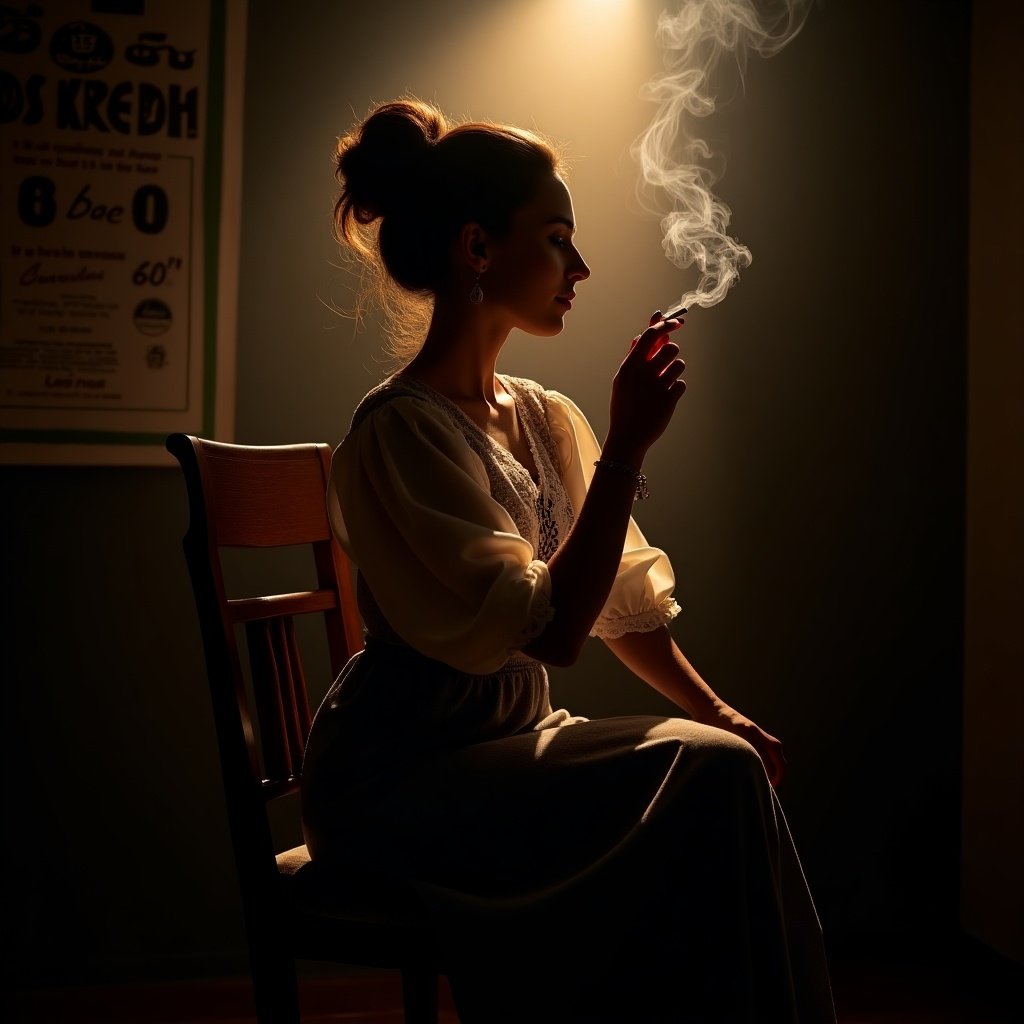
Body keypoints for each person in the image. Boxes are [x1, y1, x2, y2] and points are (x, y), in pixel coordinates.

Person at [301, 98, 835, 1023]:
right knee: (705, 778)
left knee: (720, 761)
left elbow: (618, 598)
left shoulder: (544, 415)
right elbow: (550, 630)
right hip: (402, 778)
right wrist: (626, 451)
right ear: (477, 248)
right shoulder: (399, 435)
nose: (579, 268)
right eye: (556, 240)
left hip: (504, 747)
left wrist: (718, 708)